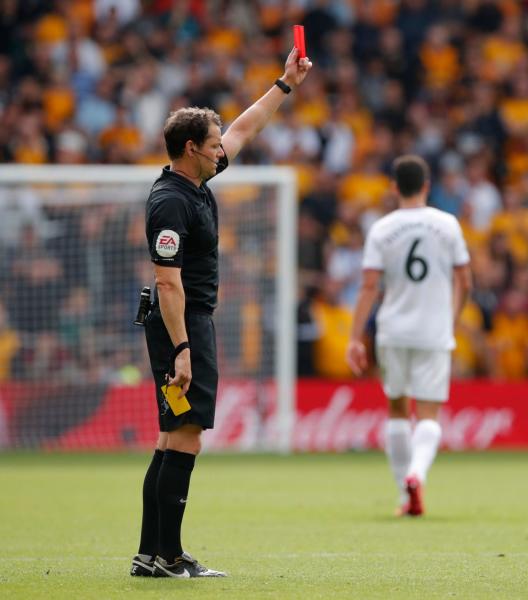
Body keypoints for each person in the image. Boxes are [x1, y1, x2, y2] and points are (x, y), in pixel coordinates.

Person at [132, 47, 312, 578]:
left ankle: (152, 553)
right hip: (182, 327)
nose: (221, 152)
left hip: (184, 326)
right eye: (212, 147)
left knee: (170, 437)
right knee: (186, 435)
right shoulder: (171, 202)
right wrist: (184, 347)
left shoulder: (194, 181)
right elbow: (167, 281)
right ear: (190, 149)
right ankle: (168, 555)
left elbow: (241, 130)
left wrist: (284, 85)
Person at [346, 155, 472, 517]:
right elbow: (465, 280)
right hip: (434, 330)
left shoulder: (383, 228)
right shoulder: (447, 225)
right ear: (427, 186)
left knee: (398, 410)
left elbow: (368, 286)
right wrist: (452, 318)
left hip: (393, 330)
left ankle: (406, 492)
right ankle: (418, 474)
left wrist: (355, 337)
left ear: (393, 187)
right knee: (429, 413)